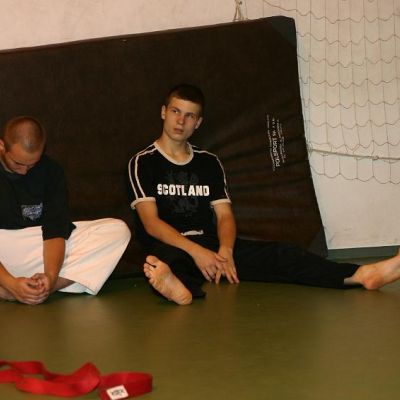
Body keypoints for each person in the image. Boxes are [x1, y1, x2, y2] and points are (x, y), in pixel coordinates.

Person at [128, 83, 400, 305]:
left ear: (198, 123)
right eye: (176, 111)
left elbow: (224, 216)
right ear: (163, 112)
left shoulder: (208, 162)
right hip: (173, 245)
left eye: (189, 116)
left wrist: (226, 250)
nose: (181, 121)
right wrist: (196, 252)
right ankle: (179, 288)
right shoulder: (143, 161)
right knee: (162, 262)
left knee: (284, 254)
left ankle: (363, 274)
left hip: (212, 246)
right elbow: (151, 223)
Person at [0, 116, 131, 305]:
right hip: (4, 248)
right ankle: (9, 290)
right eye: (18, 163)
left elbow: (54, 231)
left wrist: (50, 276)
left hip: (35, 246)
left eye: (32, 164)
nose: (24, 171)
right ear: (2, 146)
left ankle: (42, 290)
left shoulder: (51, 171)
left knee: (117, 231)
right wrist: (10, 283)